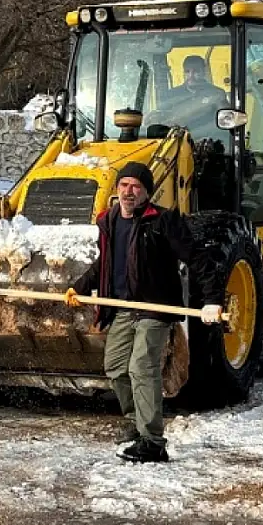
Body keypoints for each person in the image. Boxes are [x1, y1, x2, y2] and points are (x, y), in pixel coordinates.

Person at [64, 162, 225, 463]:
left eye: (135, 186)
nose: (129, 191)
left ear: (146, 192)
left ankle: (153, 441)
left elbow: (199, 258)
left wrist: (213, 299)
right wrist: (80, 287)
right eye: (124, 185)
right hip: (123, 307)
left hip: (154, 307)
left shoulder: (162, 221)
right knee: (115, 367)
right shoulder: (110, 221)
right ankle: (135, 422)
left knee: (141, 367)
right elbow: (106, 264)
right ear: (116, 190)